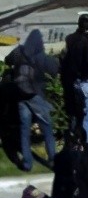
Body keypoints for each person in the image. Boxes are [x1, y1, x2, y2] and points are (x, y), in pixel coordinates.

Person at [5, 30, 58, 171]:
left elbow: (7, 60)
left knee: (24, 130)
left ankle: (27, 163)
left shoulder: (19, 51)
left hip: (21, 96)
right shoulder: (41, 56)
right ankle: (53, 159)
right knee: (47, 128)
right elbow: (55, 70)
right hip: (36, 96)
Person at [60, 14, 88, 143]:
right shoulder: (85, 41)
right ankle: (84, 144)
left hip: (74, 82)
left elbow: (64, 59)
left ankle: (74, 142)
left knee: (76, 116)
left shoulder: (70, 39)